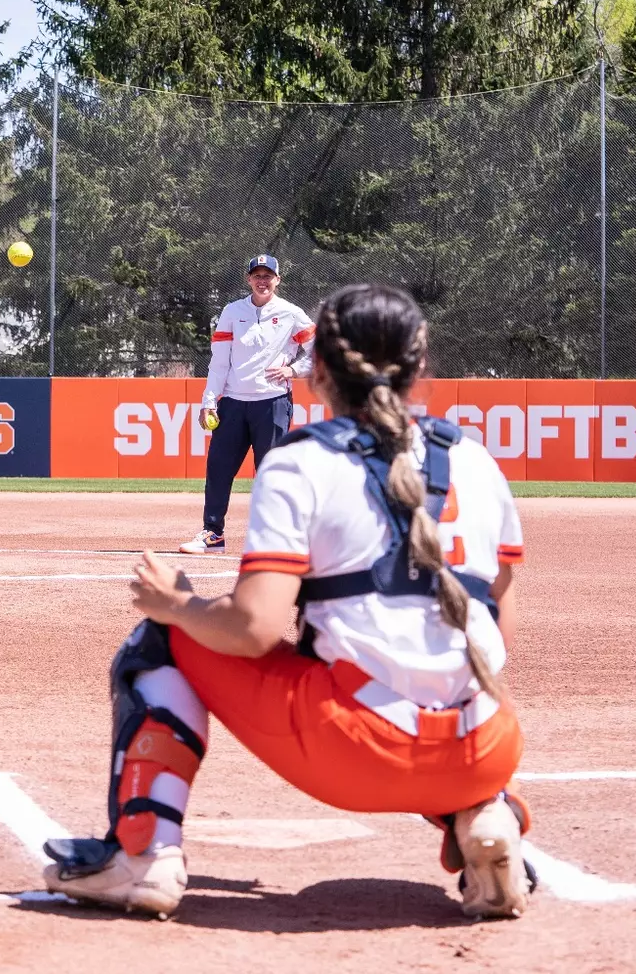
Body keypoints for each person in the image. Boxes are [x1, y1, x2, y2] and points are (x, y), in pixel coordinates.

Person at [43, 283, 531, 921]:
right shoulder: (475, 458)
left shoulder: (302, 461)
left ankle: (143, 855)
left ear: (316, 368)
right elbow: (499, 625)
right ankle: (483, 813)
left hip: (359, 752)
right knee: (437, 675)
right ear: (420, 366)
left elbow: (253, 628)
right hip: (485, 749)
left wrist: (179, 603)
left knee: (162, 637)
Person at [179, 254, 314, 555]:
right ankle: (213, 534)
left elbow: (321, 350)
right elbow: (219, 361)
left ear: (278, 280)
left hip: (273, 402)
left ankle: (275, 539)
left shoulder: (291, 313)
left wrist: (294, 370)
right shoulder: (232, 311)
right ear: (248, 279)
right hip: (233, 403)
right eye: (257, 276)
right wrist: (209, 401)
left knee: (271, 474)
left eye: (268, 276)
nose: (262, 281)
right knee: (218, 469)